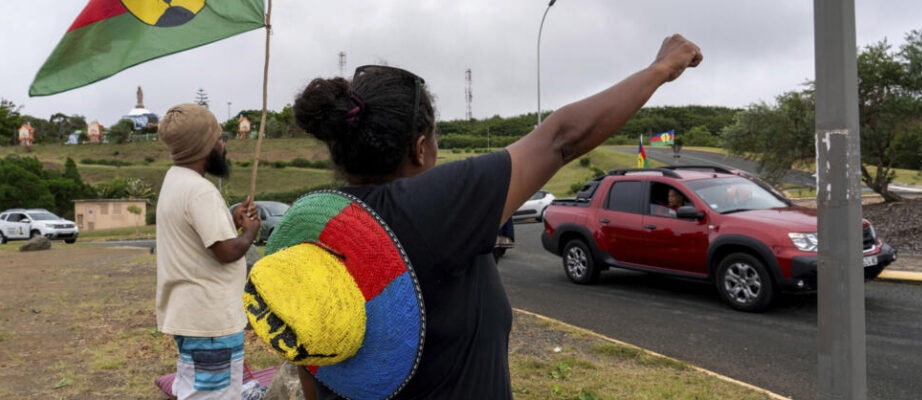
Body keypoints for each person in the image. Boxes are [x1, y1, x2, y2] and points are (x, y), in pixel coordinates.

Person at [285, 34, 701, 399]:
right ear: (419, 149)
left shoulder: (312, 228)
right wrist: (661, 69)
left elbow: (309, 363)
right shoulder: (428, 209)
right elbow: (560, 138)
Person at [155, 103, 261, 400]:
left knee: (197, 389)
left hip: (191, 315)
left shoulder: (175, 180)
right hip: (211, 321)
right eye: (219, 138)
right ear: (205, 144)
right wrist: (250, 231)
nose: (223, 145)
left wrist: (232, 218)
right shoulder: (201, 191)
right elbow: (227, 251)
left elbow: (200, 235)